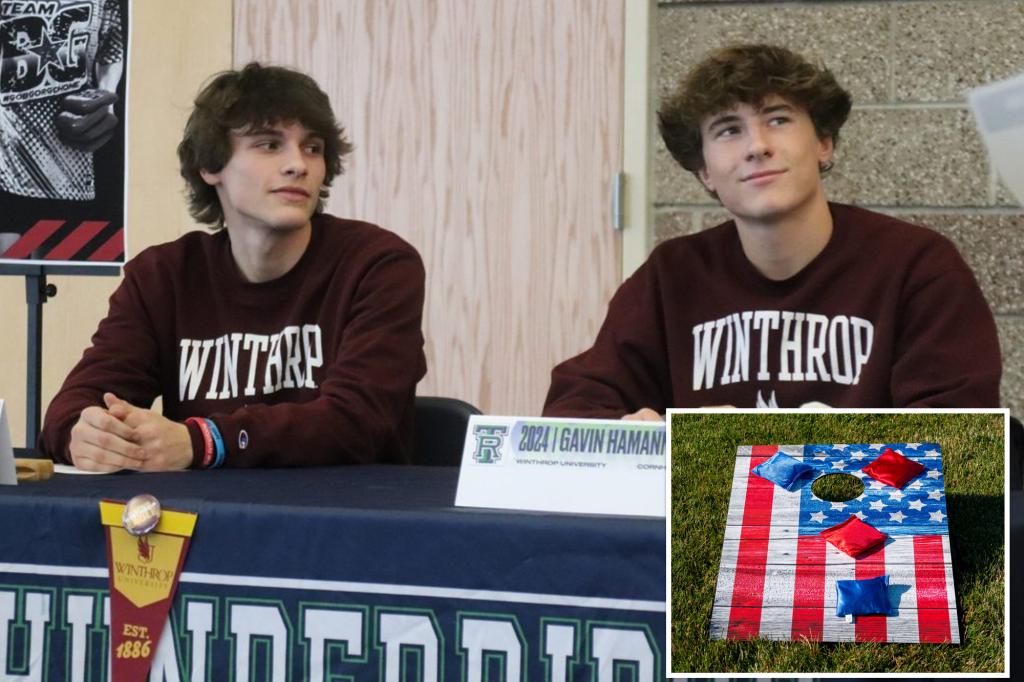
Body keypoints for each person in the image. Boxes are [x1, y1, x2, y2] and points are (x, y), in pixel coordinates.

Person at [543, 43, 1001, 419]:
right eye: (728, 130)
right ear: (704, 171)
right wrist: (630, 435)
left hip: (861, 507)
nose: (757, 146)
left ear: (823, 143)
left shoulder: (917, 265)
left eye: (778, 120)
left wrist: (735, 450)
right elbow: (574, 409)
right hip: (706, 506)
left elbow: (960, 445)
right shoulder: (671, 275)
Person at [39, 62, 427, 470]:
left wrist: (203, 442)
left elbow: (359, 422)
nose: (299, 164)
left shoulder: (378, 265)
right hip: (202, 510)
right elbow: (74, 407)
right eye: (269, 145)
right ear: (211, 166)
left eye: (312, 148)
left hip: (343, 508)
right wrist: (85, 434)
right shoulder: (163, 277)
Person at [1, 0, 125, 250]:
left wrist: (106, 98)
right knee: (10, 258)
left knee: (64, 256)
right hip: (9, 156)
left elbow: (111, 49)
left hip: (72, 160)